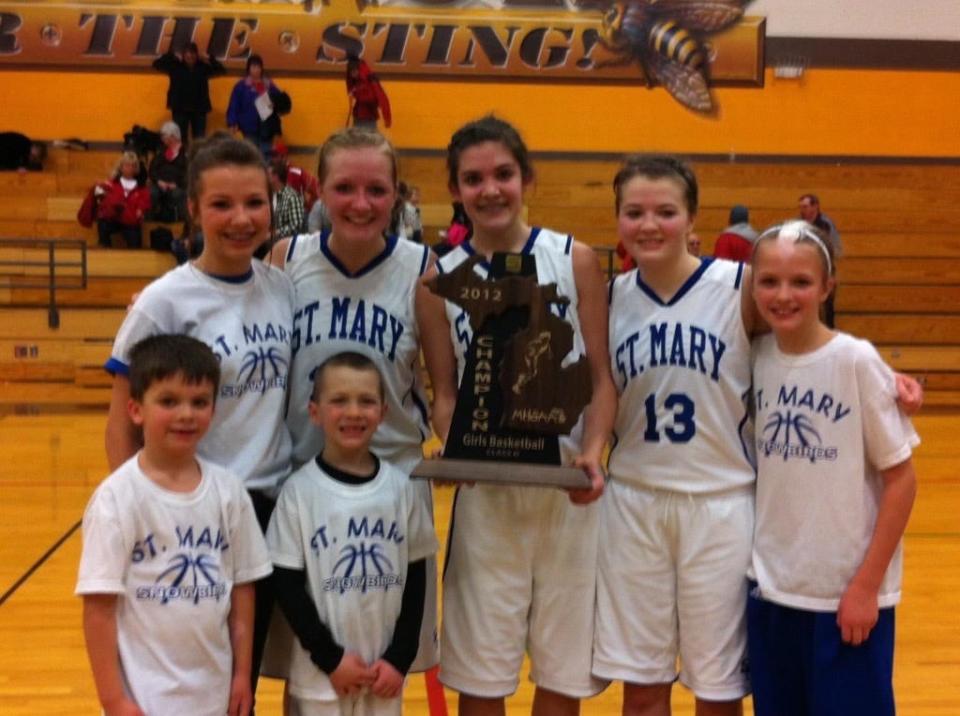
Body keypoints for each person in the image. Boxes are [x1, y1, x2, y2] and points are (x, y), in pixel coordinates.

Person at [596, 156, 923, 716]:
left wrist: (877, 372)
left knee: (718, 687)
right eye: (635, 212)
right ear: (618, 220)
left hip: (721, 505)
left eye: (666, 211)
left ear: (693, 218)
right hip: (634, 500)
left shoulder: (738, 284)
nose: (650, 224)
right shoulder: (610, 296)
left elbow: (802, 323)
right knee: (643, 684)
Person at [423, 115, 617, 716]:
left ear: (527, 178)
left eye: (503, 174)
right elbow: (445, 392)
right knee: (482, 674)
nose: (490, 190)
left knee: (561, 672)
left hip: (565, 487)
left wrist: (593, 450)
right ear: (456, 189)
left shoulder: (575, 258)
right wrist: (458, 447)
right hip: (490, 493)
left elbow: (601, 378)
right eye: (473, 178)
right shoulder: (436, 278)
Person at [103, 134, 295, 700]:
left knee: (242, 682)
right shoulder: (163, 301)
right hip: (189, 511)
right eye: (221, 204)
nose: (241, 218)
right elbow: (122, 420)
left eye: (254, 202)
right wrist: (133, 511)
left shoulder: (282, 288)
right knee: (186, 679)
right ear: (192, 209)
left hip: (267, 508)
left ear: (272, 202)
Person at [268, 126, 445, 681]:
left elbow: (446, 387)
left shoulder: (421, 269)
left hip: (393, 484)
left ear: (397, 194)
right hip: (305, 481)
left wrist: (467, 450)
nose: (361, 204)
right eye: (344, 188)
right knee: (309, 663)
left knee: (384, 662)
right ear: (319, 191)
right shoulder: (286, 257)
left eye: (377, 190)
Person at [747, 220, 918, 716]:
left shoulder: (856, 360)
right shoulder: (754, 357)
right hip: (773, 592)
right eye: (769, 281)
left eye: (800, 282)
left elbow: (901, 481)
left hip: (847, 600)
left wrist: (866, 586)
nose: (783, 295)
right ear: (752, 285)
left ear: (827, 286)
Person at [77, 334, 272, 716]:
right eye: (169, 401)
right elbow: (98, 608)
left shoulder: (229, 493)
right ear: (136, 410)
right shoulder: (116, 499)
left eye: (199, 402)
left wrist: (242, 676)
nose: (186, 413)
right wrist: (113, 700)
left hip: (214, 698)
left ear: (213, 411)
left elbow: (243, 592)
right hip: (143, 702)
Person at [266, 352, 438, 716]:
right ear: (314, 412)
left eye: (366, 401)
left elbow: (417, 580)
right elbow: (287, 586)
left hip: (383, 677)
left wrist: (399, 658)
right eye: (339, 400)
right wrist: (330, 659)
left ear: (384, 412)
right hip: (321, 680)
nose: (354, 412)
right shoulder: (298, 493)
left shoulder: (401, 490)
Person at [152, 42, 225, 144]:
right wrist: (171, 55)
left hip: (199, 108)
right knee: (180, 138)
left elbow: (221, 70)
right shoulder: (175, 66)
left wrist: (209, 58)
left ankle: (198, 159)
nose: (190, 56)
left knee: (199, 139)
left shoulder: (203, 67)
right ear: (183, 54)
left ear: (197, 54)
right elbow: (156, 64)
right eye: (187, 53)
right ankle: (182, 159)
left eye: (192, 53)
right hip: (179, 108)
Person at [227, 55, 285, 156]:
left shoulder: (268, 84)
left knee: (266, 154)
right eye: (253, 67)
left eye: (258, 67)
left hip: (267, 126)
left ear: (262, 68)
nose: (256, 70)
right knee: (251, 154)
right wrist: (232, 122)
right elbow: (234, 104)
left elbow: (279, 101)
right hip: (248, 126)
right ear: (248, 69)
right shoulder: (241, 86)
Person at [798, 193, 841, 327]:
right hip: (804, 269)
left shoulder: (826, 225)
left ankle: (829, 333)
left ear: (815, 206)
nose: (802, 210)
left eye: (805, 206)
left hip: (824, 269)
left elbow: (836, 247)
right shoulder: (798, 225)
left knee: (828, 305)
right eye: (801, 207)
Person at [96, 150, 151, 248]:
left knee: (135, 240)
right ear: (121, 167)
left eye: (132, 166)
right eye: (127, 165)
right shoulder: (112, 183)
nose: (129, 168)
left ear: (136, 168)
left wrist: (140, 209)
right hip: (114, 218)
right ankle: (105, 250)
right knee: (102, 224)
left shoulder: (141, 187)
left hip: (131, 221)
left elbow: (145, 202)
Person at [148, 121, 188, 221]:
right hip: (160, 184)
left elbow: (189, 173)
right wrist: (158, 181)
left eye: (164, 136)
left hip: (178, 185)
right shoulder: (161, 152)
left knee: (178, 194)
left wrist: (176, 184)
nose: (162, 139)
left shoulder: (186, 152)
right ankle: (150, 219)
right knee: (151, 192)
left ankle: (181, 219)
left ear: (173, 136)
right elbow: (152, 170)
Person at [346, 56, 391, 130]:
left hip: (369, 115)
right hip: (360, 115)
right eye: (350, 73)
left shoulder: (371, 80)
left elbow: (382, 98)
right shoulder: (356, 80)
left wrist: (387, 119)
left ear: (358, 70)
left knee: (367, 136)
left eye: (354, 72)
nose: (352, 75)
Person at [269, 156, 306, 241]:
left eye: (268, 175)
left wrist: (275, 233)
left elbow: (296, 225)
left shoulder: (291, 197)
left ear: (275, 177)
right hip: (270, 241)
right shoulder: (268, 195)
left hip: (286, 243)